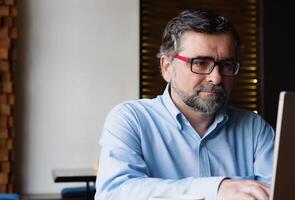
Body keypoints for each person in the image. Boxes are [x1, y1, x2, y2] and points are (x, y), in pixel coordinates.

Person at [95, 9, 274, 200]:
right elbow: (114, 192)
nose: (216, 77)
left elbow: (281, 191)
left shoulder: (255, 128)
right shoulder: (131, 119)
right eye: (200, 63)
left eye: (227, 65)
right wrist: (217, 189)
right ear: (167, 68)